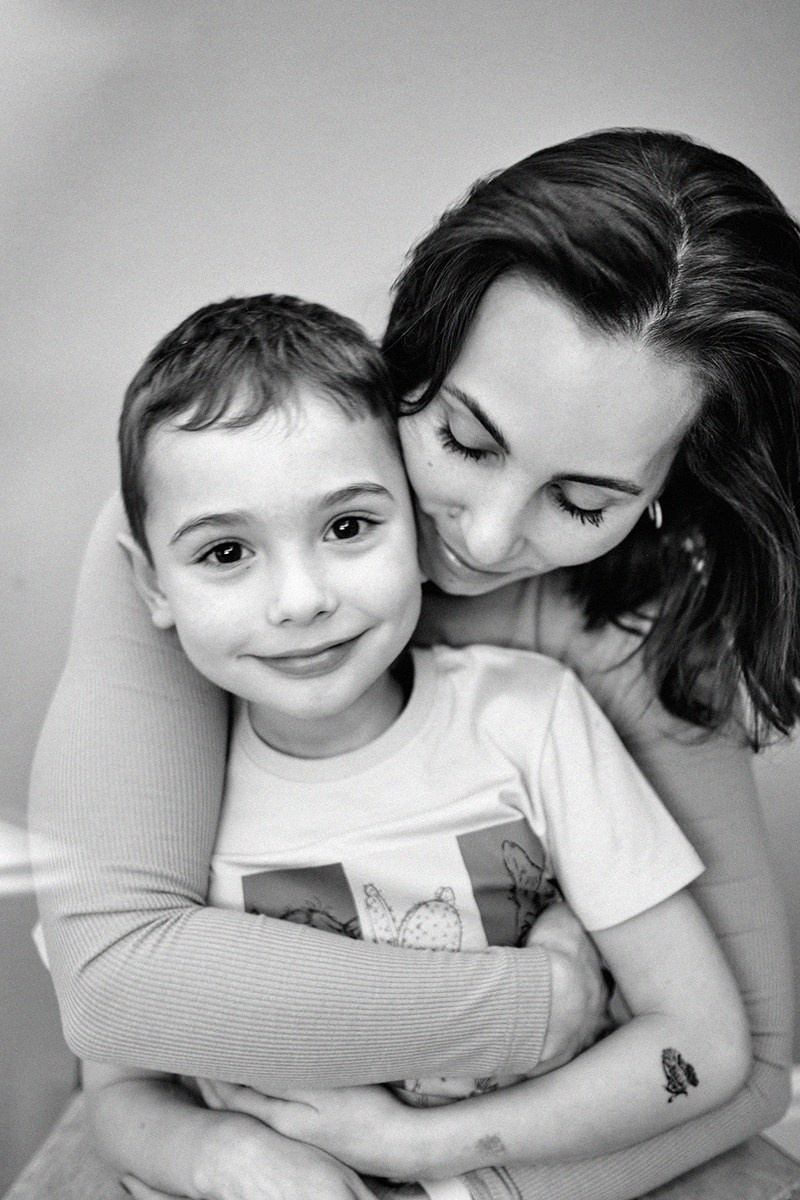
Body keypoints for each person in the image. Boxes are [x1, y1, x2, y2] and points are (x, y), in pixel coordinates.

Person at [29, 128, 799, 1200]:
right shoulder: (211, 510)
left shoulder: (632, 630)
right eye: (465, 440)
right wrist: (536, 1005)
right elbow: (116, 987)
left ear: (667, 493)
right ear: (416, 352)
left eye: (583, 501)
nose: (484, 537)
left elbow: (737, 1061)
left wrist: (436, 1163)